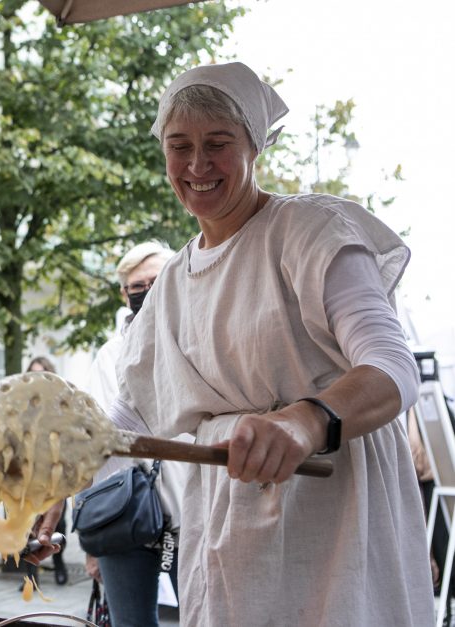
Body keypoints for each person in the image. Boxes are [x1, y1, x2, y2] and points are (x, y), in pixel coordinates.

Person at [31, 62, 433, 625]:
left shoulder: (309, 230)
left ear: (254, 147)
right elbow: (132, 411)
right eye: (180, 146)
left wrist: (305, 421)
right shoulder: (172, 280)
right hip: (225, 512)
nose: (197, 165)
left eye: (217, 144)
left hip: (334, 507)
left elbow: (392, 366)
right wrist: (64, 473)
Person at [85, 242, 182, 626]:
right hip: (122, 510)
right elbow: (94, 440)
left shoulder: (198, 340)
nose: (146, 290)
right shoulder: (108, 356)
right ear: (124, 294)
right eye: (136, 285)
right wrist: (92, 533)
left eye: (155, 280)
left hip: (189, 510)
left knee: (204, 615)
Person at [22, 356, 69, 587]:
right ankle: (30, 575)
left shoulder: (59, 406)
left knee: (56, 524)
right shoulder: (21, 406)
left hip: (54, 476)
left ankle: (59, 564)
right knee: (27, 526)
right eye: (31, 374)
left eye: (40, 373)